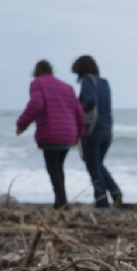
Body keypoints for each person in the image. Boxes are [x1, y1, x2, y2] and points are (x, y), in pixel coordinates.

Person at [16, 60, 85, 209]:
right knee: (58, 167)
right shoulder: (67, 87)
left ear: (36, 72)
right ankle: (60, 201)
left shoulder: (37, 83)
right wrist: (78, 135)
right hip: (68, 133)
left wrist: (22, 124)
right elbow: (79, 113)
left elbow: (36, 104)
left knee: (53, 168)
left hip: (51, 133)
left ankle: (62, 202)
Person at [71, 55, 123, 208]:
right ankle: (114, 191)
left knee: (93, 166)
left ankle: (101, 201)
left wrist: (78, 112)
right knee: (98, 164)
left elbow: (90, 101)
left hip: (93, 130)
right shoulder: (104, 83)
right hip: (107, 129)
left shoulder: (87, 81)